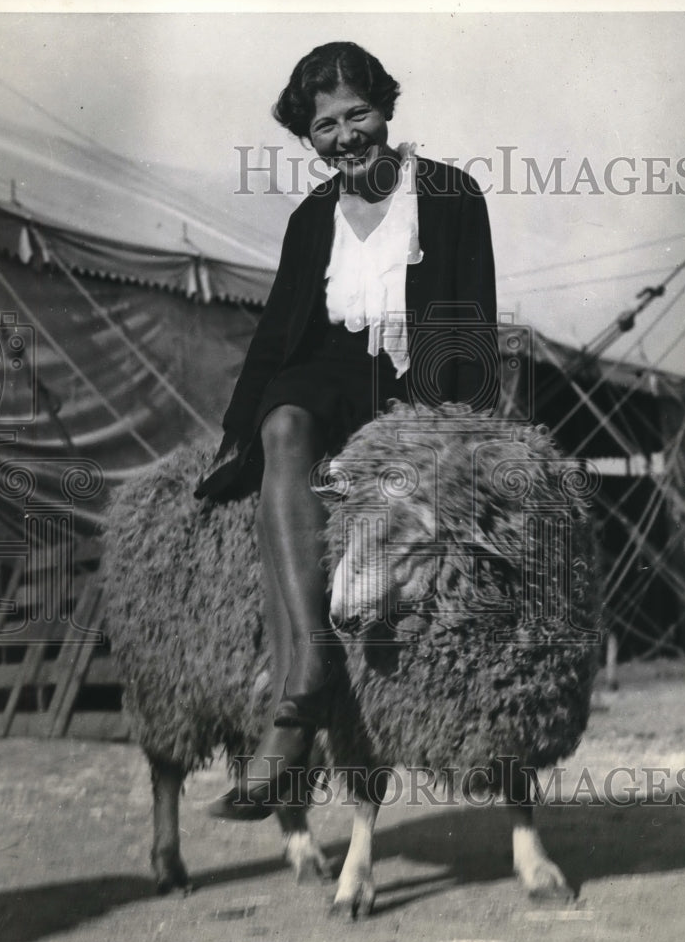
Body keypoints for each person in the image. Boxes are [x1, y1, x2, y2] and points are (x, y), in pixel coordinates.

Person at [196, 41, 500, 819]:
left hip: (412, 374)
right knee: (284, 421)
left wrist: (460, 425)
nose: (345, 137)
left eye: (357, 114)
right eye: (325, 126)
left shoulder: (451, 195)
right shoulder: (310, 219)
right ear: (310, 138)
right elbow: (274, 336)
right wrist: (240, 433)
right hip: (328, 372)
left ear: (386, 109)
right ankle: (307, 671)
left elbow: (473, 318)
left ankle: (302, 720)